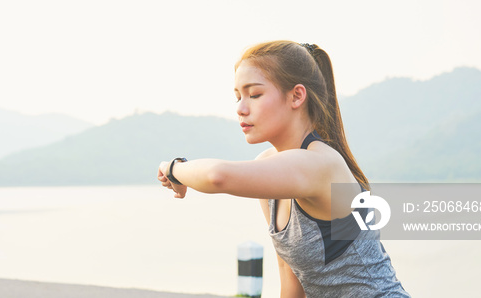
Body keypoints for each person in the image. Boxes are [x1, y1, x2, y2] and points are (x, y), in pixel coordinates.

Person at [156, 40, 409, 297]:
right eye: (237, 97)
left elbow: (217, 176)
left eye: (254, 95)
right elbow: (291, 281)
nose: (241, 109)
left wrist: (173, 168)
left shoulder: (320, 164)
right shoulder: (270, 169)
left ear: (297, 96)